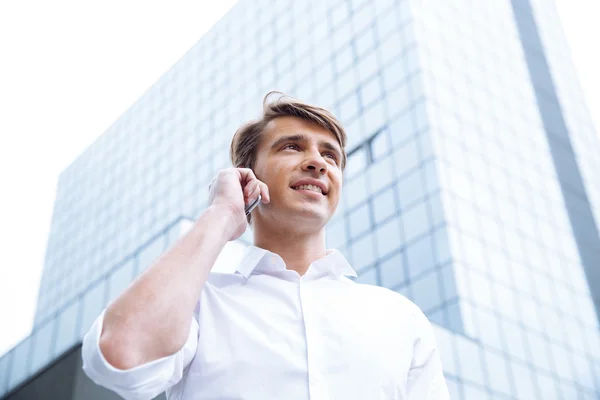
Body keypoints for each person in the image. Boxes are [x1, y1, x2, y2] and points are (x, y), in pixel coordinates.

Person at [81, 92, 450, 399]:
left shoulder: (400, 317)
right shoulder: (199, 302)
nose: (317, 163)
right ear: (249, 177)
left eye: (330, 156)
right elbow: (119, 355)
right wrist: (222, 214)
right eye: (292, 147)